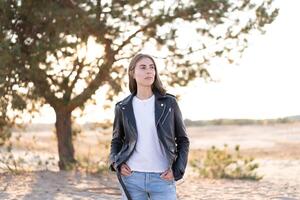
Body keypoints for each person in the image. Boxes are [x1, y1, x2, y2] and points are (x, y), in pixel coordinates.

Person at [109, 53, 190, 200]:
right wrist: (116, 164)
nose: (149, 71)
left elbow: (183, 140)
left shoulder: (169, 103)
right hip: (132, 178)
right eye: (143, 67)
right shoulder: (123, 107)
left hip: (163, 178)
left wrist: (177, 170)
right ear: (133, 73)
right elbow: (116, 141)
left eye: (152, 67)